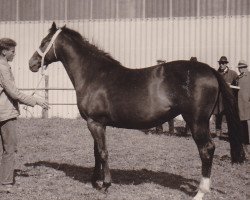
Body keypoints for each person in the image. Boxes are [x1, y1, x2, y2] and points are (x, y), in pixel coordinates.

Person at [0, 38, 49, 192]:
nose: (14, 54)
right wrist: (35, 101)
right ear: (4, 52)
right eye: (12, 51)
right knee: (9, 148)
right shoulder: (3, 68)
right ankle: (6, 184)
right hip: (5, 114)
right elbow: (13, 93)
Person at [213, 56, 238, 138]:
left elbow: (237, 85)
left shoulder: (233, 74)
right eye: (220, 63)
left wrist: (231, 86)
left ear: (226, 64)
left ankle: (231, 132)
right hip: (219, 98)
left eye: (223, 63)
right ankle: (218, 132)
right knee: (218, 115)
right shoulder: (216, 73)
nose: (221, 65)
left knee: (229, 116)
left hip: (228, 99)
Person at [155, 59, 174, 135]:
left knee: (170, 113)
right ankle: (159, 130)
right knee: (157, 113)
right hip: (157, 96)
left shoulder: (168, 73)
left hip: (167, 96)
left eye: (160, 64)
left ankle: (171, 131)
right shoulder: (155, 73)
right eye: (158, 63)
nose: (159, 65)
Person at [236, 60, 250, 153]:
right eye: (239, 68)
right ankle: (244, 141)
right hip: (240, 104)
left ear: (245, 67)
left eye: (241, 68)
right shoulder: (238, 77)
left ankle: (248, 142)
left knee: (248, 124)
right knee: (242, 123)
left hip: (247, 103)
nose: (240, 70)